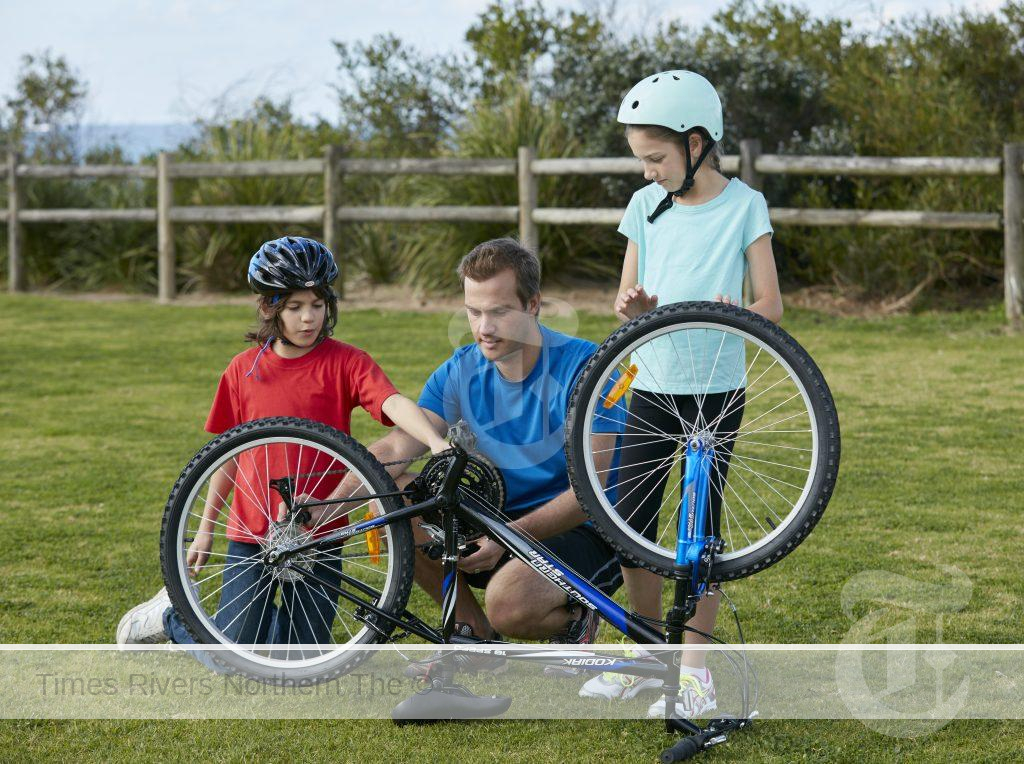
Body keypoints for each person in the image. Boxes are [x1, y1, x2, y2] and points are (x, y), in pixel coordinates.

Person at [116, 236, 449, 647]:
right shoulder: (244, 370)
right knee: (232, 653)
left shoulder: (347, 362)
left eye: (317, 304)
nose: (308, 318)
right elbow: (225, 457)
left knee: (298, 658)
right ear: (269, 308)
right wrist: (205, 530)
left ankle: (266, 645)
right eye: (294, 307)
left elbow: (391, 402)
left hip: (321, 530)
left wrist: (435, 440)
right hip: (250, 533)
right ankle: (171, 618)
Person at [577, 70, 783, 718]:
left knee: (701, 533)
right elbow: (625, 302)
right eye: (642, 160)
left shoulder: (746, 205)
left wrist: (741, 312)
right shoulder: (645, 209)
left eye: (656, 159)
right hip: (653, 382)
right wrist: (634, 305)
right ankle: (643, 656)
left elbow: (771, 305)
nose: (647, 173)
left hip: (715, 390)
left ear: (697, 143)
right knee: (629, 521)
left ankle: (694, 672)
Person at [343, 237, 626, 673]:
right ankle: (472, 636)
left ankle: (574, 619)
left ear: (532, 305)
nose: (484, 328)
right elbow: (400, 446)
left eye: (498, 312)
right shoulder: (461, 369)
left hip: (583, 528)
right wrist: (329, 504)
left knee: (508, 605)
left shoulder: (588, 369)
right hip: (495, 520)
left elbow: (592, 492)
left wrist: (507, 536)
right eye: (473, 312)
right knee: (394, 492)